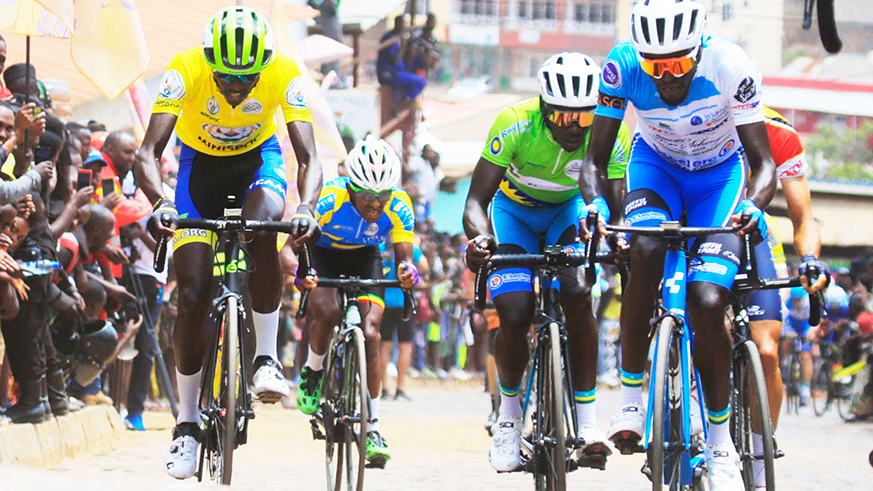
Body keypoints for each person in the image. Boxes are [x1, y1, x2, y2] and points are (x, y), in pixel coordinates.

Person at [578, 2, 777, 489]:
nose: (665, 76)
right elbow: (595, 163)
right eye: (653, 65)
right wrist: (596, 206)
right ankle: (629, 397)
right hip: (657, 169)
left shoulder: (731, 66)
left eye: (676, 63)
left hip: (718, 180)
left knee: (708, 301)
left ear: (699, 49)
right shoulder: (620, 66)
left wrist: (753, 205)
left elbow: (764, 164)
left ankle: (720, 441)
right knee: (643, 250)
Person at [134, 6, 322, 480]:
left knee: (262, 228)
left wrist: (306, 207)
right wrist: (159, 201)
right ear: (209, 61)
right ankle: (186, 425)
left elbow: (310, 158)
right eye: (227, 79)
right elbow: (147, 153)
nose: (236, 89)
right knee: (193, 293)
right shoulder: (186, 69)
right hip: (199, 173)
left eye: (246, 81)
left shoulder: (283, 71)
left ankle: (264, 359)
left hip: (260, 164)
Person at [464, 52, 631, 472]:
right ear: (543, 106)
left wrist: (618, 239)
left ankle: (588, 422)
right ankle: (508, 420)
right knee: (516, 312)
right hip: (514, 215)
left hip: (568, 213)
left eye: (583, 117)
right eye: (562, 117)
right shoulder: (514, 122)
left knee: (577, 294)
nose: (573, 128)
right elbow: (475, 202)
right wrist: (481, 239)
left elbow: (614, 202)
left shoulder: (612, 131)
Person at [296, 135, 417, 469]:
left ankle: (373, 427)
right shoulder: (328, 199)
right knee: (330, 311)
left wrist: (408, 276)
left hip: (366, 259)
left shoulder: (400, 206)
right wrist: (300, 275)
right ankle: (314, 370)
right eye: (366, 196)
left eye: (383, 196)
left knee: (373, 333)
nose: (375, 204)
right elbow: (291, 247)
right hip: (324, 254)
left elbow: (404, 259)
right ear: (350, 187)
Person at [377, 15, 427, 104]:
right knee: (421, 81)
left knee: (414, 80)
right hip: (389, 74)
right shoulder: (390, 38)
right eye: (403, 23)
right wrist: (403, 43)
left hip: (397, 72)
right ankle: (407, 100)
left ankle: (405, 98)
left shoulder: (399, 37)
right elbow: (395, 60)